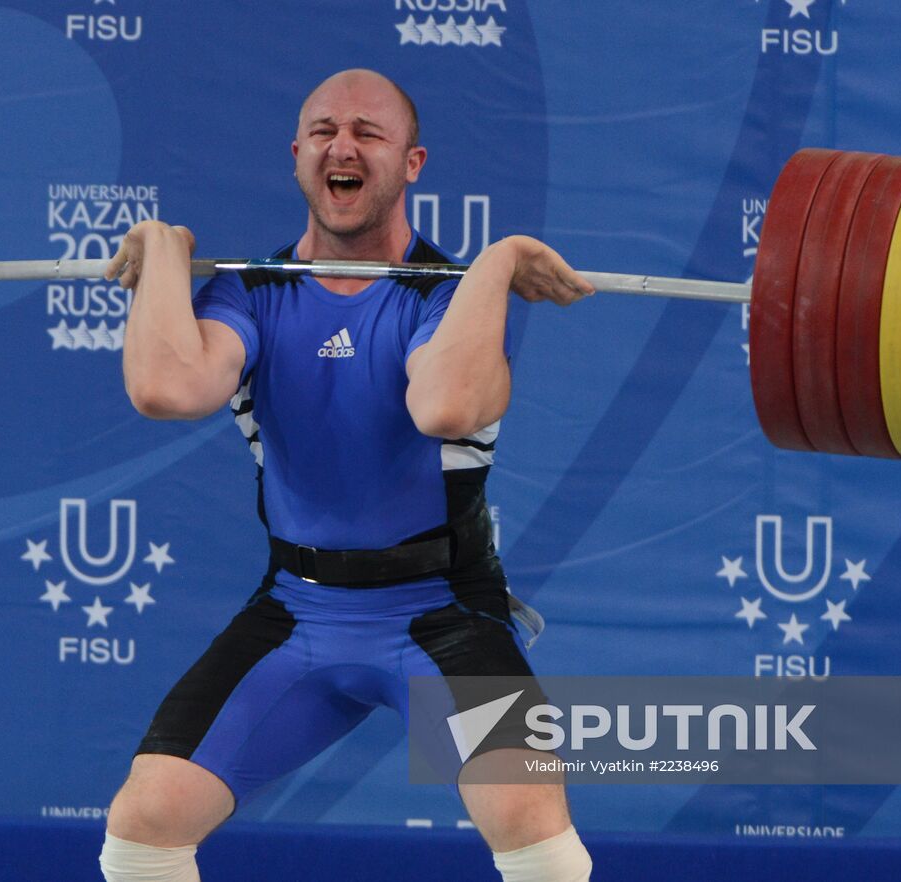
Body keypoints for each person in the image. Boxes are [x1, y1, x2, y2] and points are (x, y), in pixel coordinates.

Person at [99, 68, 595, 882]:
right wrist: (162, 248)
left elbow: (444, 408)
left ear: (412, 163)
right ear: (297, 155)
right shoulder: (250, 292)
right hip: (297, 612)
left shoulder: (450, 297)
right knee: (142, 828)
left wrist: (499, 263)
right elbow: (167, 388)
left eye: (370, 133)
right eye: (325, 130)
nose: (344, 145)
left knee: (534, 835)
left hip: (440, 613)